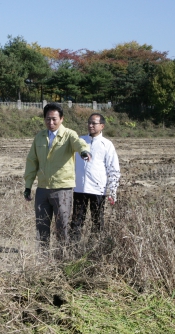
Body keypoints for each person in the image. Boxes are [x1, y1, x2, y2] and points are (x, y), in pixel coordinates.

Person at [23, 103, 91, 252]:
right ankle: (44, 257)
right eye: (48, 119)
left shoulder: (69, 135)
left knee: (62, 226)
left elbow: (79, 143)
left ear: (61, 119)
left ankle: (62, 257)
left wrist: (84, 151)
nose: (51, 123)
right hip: (42, 189)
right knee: (41, 225)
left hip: (62, 189)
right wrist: (28, 186)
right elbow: (32, 161)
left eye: (54, 119)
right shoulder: (39, 137)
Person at [71, 113, 120, 241]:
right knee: (76, 221)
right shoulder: (80, 141)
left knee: (97, 221)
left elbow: (113, 169)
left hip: (98, 189)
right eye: (89, 122)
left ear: (102, 126)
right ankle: (72, 249)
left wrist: (112, 190)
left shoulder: (107, 144)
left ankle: (94, 247)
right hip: (79, 188)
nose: (90, 125)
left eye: (94, 123)